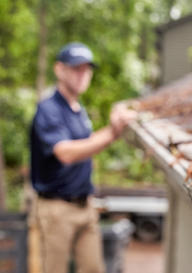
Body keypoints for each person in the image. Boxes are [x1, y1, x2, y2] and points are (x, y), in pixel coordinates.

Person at [29, 42, 136, 273]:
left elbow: (87, 143)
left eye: (86, 69)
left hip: (85, 206)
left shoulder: (78, 109)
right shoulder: (49, 109)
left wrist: (113, 130)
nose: (82, 75)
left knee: (93, 268)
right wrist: (112, 132)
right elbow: (66, 153)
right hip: (56, 209)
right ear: (59, 69)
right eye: (76, 68)